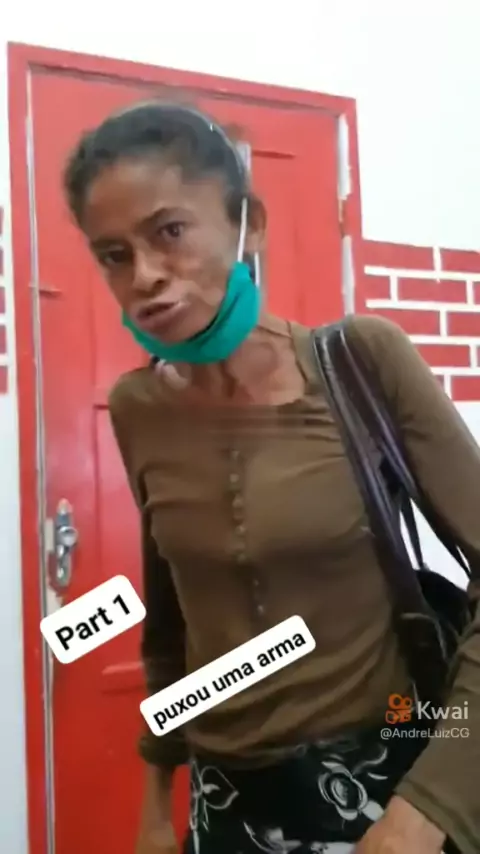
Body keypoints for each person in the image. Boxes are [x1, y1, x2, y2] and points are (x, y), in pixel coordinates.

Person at [63, 101, 480, 854]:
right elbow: (173, 619)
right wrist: (156, 802)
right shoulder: (137, 408)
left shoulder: (361, 362)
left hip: (383, 784)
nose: (145, 277)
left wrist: (429, 810)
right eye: (114, 255)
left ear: (247, 225)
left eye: (170, 232)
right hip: (226, 805)